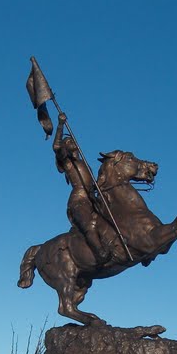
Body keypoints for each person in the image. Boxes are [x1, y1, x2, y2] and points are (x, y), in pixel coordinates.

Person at [53, 113, 110, 264]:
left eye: (73, 140)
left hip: (92, 199)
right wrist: (60, 125)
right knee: (89, 225)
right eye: (69, 141)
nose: (73, 142)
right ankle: (100, 253)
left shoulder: (84, 164)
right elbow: (56, 147)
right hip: (79, 200)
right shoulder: (69, 164)